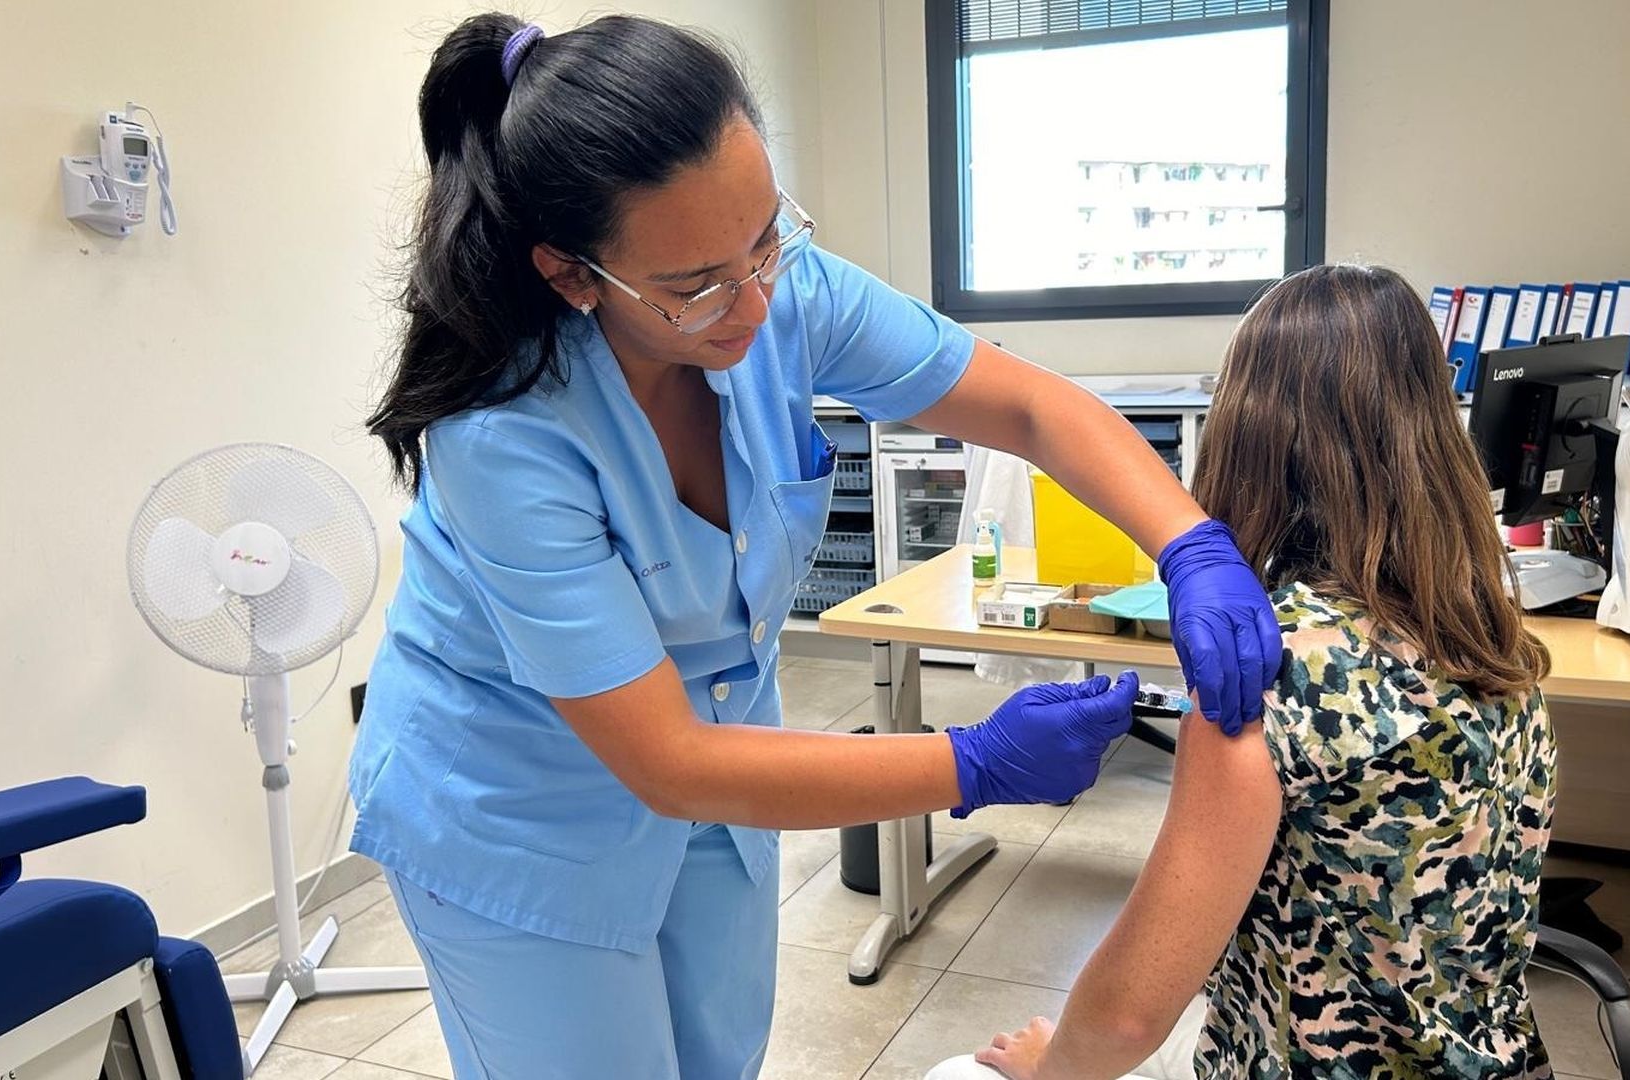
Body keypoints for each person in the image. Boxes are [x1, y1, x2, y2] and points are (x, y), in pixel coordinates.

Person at [350, 13, 1282, 1080]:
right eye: (698, 282)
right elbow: (666, 760)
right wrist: (971, 763)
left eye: (765, 239)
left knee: (718, 1055)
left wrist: (1190, 543)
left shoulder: (785, 289)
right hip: (517, 805)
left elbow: (1027, 406)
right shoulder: (505, 434)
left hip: (719, 761)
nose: (755, 302)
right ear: (573, 276)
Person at [940, 264, 1559, 1080]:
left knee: (961, 1074)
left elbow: (1125, 1018)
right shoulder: (1496, 640)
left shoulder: (1269, 676)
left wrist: (1046, 1064)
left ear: (1246, 431)